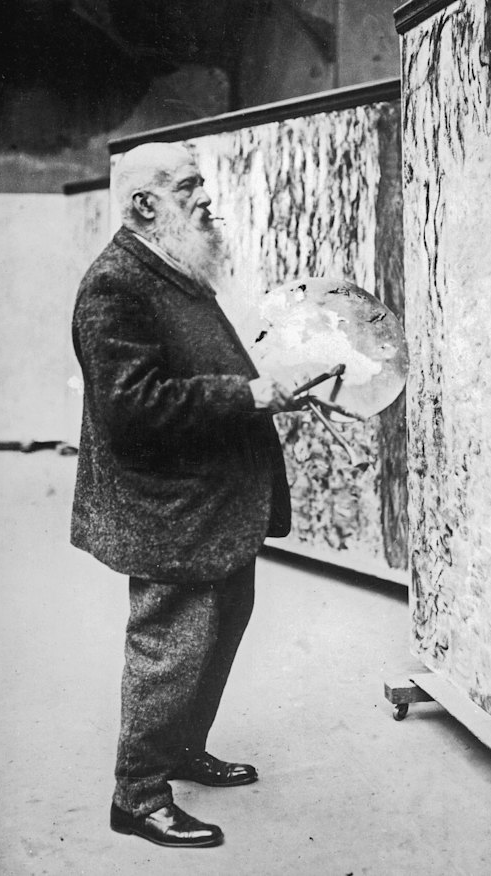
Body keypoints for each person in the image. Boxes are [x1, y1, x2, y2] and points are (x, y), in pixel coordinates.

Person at [71, 141, 293, 848]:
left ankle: (183, 749)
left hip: (214, 500)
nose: (206, 197)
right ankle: (137, 795)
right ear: (146, 204)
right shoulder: (114, 284)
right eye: (190, 186)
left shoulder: (174, 262)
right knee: (172, 646)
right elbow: (131, 408)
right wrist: (249, 393)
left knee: (222, 627)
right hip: (171, 509)